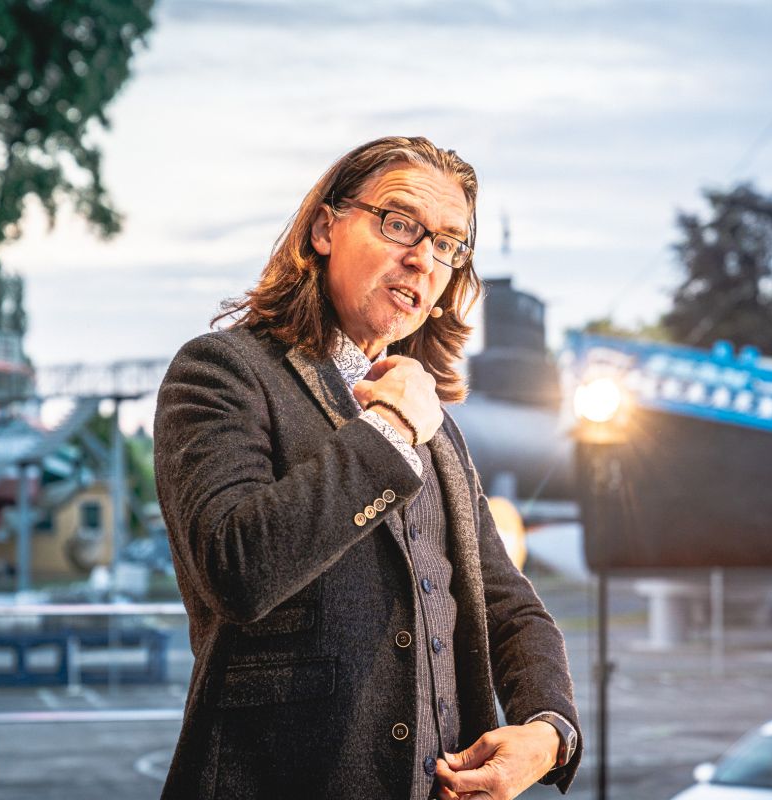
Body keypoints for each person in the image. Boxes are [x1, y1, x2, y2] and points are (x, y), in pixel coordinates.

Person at [153, 136, 581, 799]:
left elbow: (508, 604)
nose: (423, 257)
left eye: (448, 244)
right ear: (324, 229)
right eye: (400, 223)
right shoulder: (222, 371)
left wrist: (550, 731)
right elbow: (236, 569)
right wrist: (390, 430)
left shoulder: (438, 426)